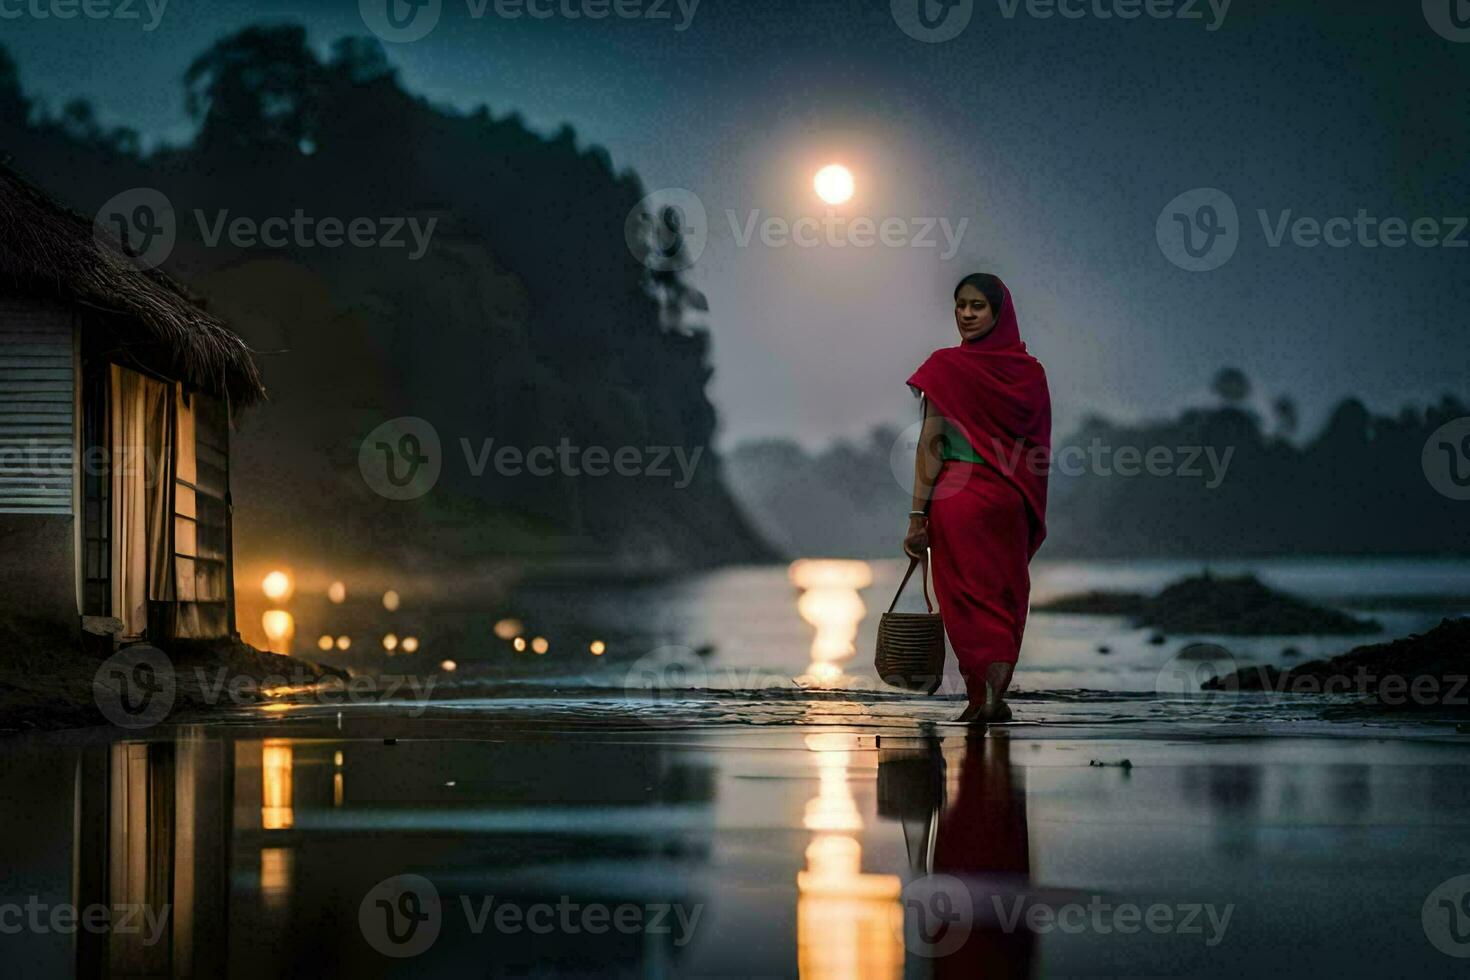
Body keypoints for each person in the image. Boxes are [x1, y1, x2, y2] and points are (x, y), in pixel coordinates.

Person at [903, 274, 1051, 723]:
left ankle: (980, 697)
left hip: (958, 500)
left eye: (977, 307)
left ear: (997, 313)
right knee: (1005, 597)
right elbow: (1037, 451)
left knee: (966, 600)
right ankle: (991, 696)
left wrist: (916, 516)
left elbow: (931, 443)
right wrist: (1027, 502)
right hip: (1011, 502)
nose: (966, 314)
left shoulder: (945, 369)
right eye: (960, 305)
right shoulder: (1030, 373)